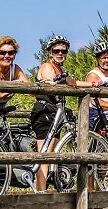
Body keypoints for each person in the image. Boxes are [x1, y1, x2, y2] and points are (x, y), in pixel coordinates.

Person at [32, 35, 78, 191]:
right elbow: (48, 80)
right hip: (45, 111)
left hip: (55, 113)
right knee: (44, 156)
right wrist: (53, 82)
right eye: (56, 50)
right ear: (50, 52)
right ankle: (41, 194)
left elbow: (75, 84)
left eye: (63, 51)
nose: (60, 53)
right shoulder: (47, 66)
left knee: (51, 154)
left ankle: (44, 191)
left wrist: (94, 84)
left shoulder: (62, 70)